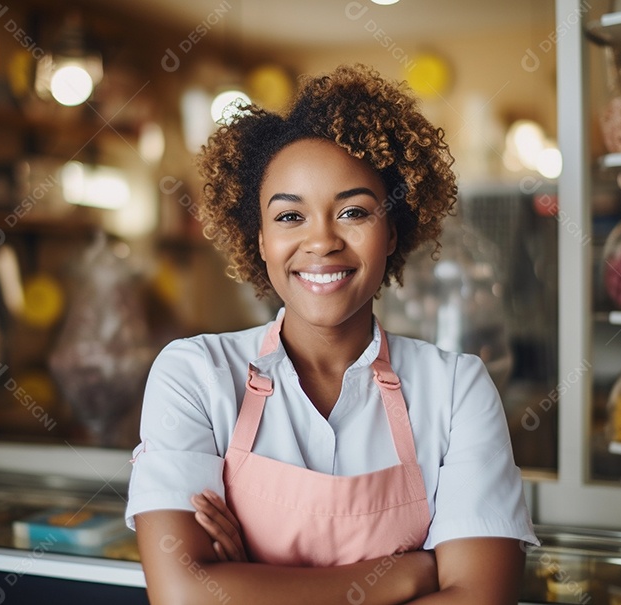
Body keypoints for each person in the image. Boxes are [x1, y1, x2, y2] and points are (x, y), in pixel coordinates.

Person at [125, 64, 538, 604]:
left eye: (352, 211)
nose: (321, 242)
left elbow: (480, 599)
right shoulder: (195, 375)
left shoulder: (457, 388)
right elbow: (183, 595)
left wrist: (251, 582)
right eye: (290, 217)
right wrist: (407, 575)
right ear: (260, 238)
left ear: (391, 231)